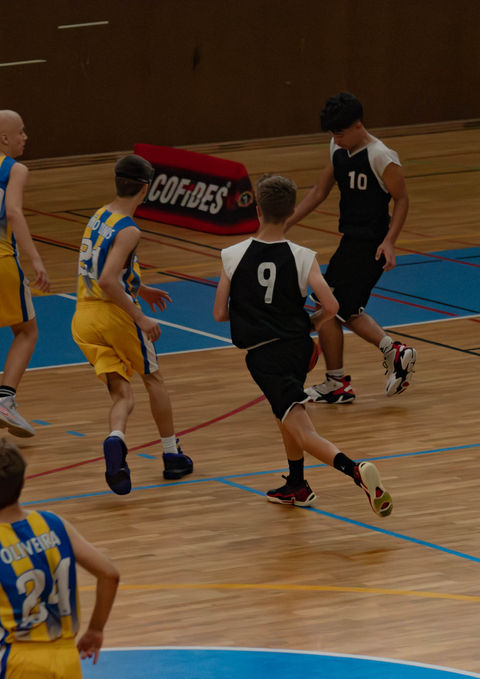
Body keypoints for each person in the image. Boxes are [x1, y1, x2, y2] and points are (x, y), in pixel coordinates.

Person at [213, 174, 392, 516]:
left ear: (258, 210)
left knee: (302, 428)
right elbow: (332, 307)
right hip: (298, 348)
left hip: (266, 355)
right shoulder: (303, 256)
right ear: (291, 211)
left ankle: (355, 470)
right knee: (285, 412)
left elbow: (220, 313)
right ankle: (296, 484)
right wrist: (308, 324)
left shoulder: (232, 255)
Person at [71, 154, 193, 495]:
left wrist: (140, 287)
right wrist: (139, 315)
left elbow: (101, 269)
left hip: (83, 318)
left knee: (121, 392)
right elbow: (108, 279)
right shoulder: (129, 229)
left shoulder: (99, 215)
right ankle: (172, 455)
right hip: (115, 316)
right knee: (153, 379)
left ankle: (116, 438)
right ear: (144, 189)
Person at [285, 92, 416, 404]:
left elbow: (402, 200)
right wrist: (285, 222)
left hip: (371, 245)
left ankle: (393, 351)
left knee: (335, 308)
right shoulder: (338, 149)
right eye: (332, 134)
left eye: (340, 133)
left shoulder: (381, 156)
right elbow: (319, 191)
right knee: (330, 306)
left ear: (358, 125)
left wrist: (389, 241)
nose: (336, 139)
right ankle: (338, 382)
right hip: (349, 241)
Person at [0, 438, 120, 677]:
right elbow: (110, 574)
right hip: (66, 659)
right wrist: (95, 629)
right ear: (23, 482)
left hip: (17, 661)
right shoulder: (53, 523)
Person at [0, 110, 50, 437]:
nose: (25, 137)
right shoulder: (15, 169)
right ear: (4, 138)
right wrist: (35, 259)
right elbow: (14, 212)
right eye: (20, 132)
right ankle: (4, 399)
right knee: (27, 331)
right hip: (2, 259)